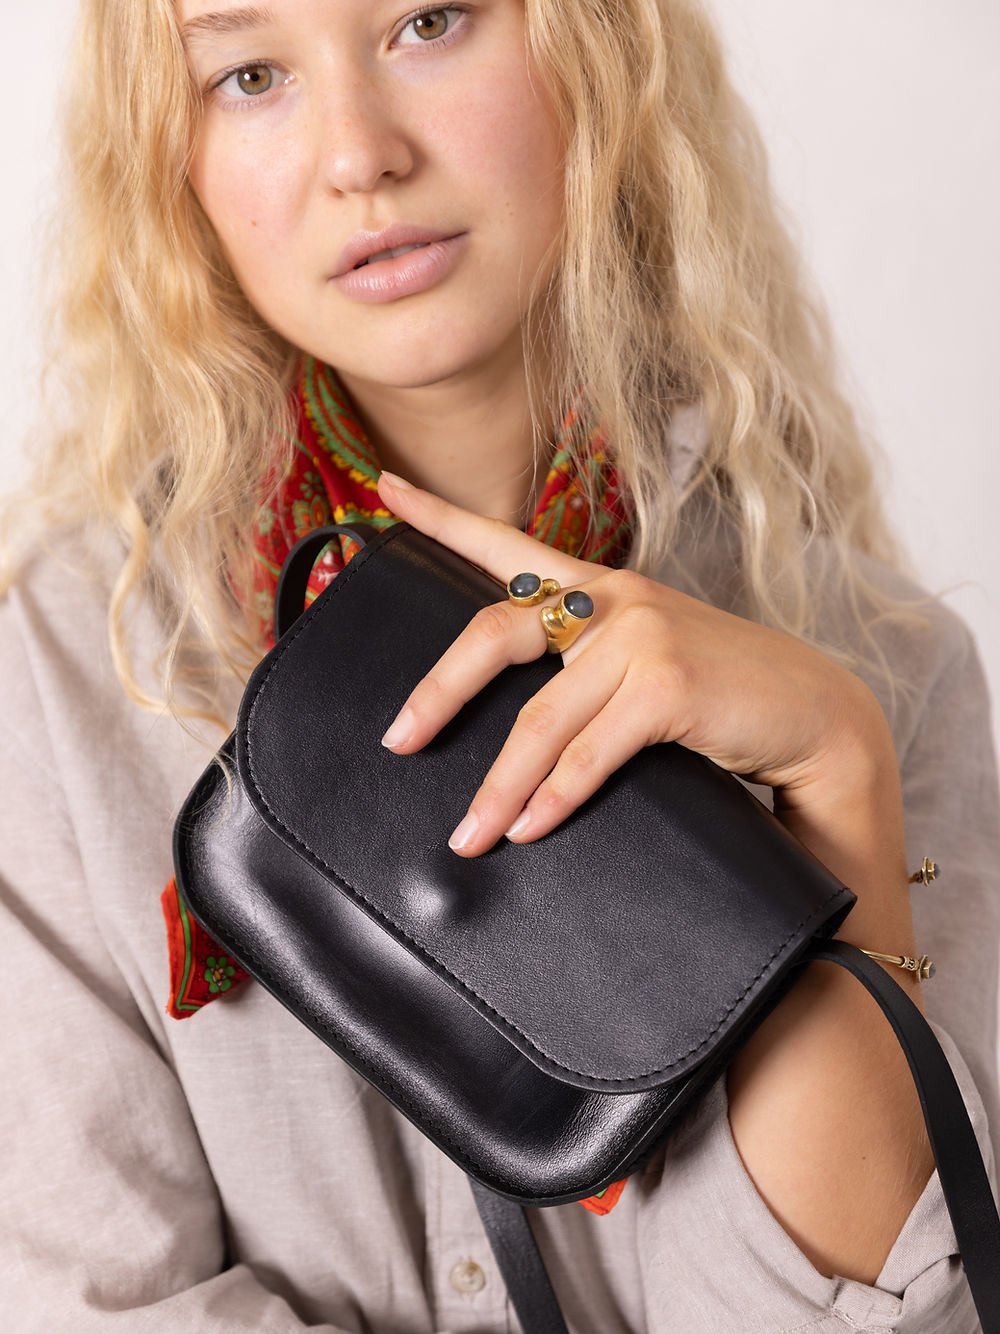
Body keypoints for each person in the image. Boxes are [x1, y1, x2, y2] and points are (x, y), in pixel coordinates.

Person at [1, 0, 997, 1329]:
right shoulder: (58, 667)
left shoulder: (879, 668)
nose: (359, 154)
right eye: (248, 74)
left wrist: (837, 784)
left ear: (598, 50)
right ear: (168, 158)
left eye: (430, 20)